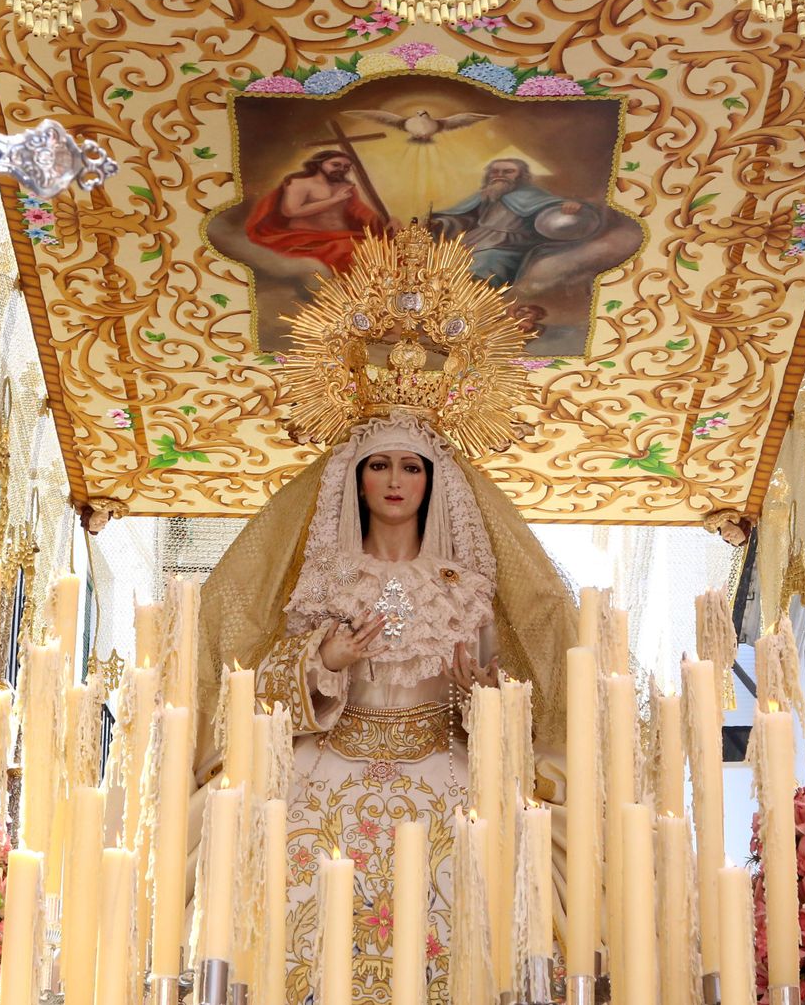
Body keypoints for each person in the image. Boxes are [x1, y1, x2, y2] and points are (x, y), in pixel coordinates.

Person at [198, 411, 576, 1004]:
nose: (394, 481)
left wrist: (485, 701)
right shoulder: (323, 579)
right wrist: (325, 658)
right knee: (275, 860)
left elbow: (507, 707)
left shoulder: (466, 588)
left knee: (482, 871)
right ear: (356, 480)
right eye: (378, 466)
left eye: (409, 467)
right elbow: (258, 694)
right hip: (326, 765)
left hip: (445, 768)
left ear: (432, 482)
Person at [430, 158, 599, 287]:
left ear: (521, 176)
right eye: (495, 172)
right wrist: (442, 223)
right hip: (473, 241)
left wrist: (572, 208)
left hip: (508, 246)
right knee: (440, 265)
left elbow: (554, 212)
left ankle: (469, 300)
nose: (500, 176)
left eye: (508, 171)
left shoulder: (533, 195)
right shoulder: (486, 194)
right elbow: (464, 218)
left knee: (487, 263)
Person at [245, 150, 386, 273]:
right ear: (319, 164)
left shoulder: (346, 186)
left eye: (346, 167)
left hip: (345, 236)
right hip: (308, 239)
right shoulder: (300, 183)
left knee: (382, 251)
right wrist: (333, 200)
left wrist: (383, 222)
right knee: (350, 253)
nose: (341, 169)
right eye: (335, 164)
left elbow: (357, 210)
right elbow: (290, 211)